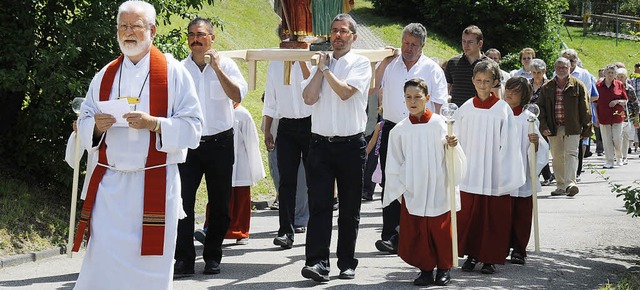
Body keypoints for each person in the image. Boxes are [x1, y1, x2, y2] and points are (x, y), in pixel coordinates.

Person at [71, 1, 203, 289]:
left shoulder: (173, 73)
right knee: (103, 261)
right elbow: (83, 122)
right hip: (111, 189)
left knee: (150, 265)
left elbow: (194, 128)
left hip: (154, 182)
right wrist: (94, 126)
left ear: (152, 30)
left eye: (135, 26)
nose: (128, 33)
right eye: (123, 26)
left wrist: (155, 124)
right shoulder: (104, 74)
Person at [300, 13, 371, 282]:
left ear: (353, 36)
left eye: (343, 31)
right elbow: (308, 98)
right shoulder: (321, 65)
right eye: (333, 31)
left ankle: (346, 262)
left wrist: (327, 70)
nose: (337, 36)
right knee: (319, 205)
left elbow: (344, 93)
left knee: (349, 207)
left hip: (350, 145)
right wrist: (320, 69)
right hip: (320, 144)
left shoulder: (361, 64)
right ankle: (317, 263)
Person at [175, 16, 248, 276]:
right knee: (181, 204)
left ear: (212, 38)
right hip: (189, 145)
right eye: (192, 34)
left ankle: (213, 256)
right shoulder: (179, 69)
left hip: (220, 143)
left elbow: (238, 96)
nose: (196, 39)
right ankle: (183, 258)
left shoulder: (226, 65)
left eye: (201, 34)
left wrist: (218, 69)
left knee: (219, 204)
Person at [384, 78, 466, 286]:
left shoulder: (440, 124)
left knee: (440, 229)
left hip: (439, 184)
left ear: (428, 98)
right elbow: (394, 161)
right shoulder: (399, 130)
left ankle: (444, 268)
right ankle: (426, 269)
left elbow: (452, 154)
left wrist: (452, 145)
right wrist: (399, 187)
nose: (413, 101)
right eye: (408, 97)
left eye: (418, 97)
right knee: (420, 230)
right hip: (414, 186)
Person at [375, 23, 449, 254]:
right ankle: (390, 235)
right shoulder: (391, 65)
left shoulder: (432, 69)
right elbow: (374, 86)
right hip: (392, 129)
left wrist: (439, 135)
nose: (408, 48)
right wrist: (384, 61)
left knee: (419, 182)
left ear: (422, 46)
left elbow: (440, 104)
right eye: (405, 43)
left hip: (422, 132)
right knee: (391, 180)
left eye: (413, 45)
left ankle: (416, 233)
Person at [454, 59, 525, 275]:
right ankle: (471, 254)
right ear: (472, 81)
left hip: (494, 170)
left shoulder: (502, 109)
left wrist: (505, 169)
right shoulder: (465, 108)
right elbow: (456, 137)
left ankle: (489, 258)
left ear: (495, 82)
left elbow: (510, 143)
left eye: (487, 81)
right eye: (478, 80)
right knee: (470, 215)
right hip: (472, 170)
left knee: (493, 217)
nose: (483, 85)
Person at [263, 53, 312, 249]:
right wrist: (268, 129)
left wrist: (301, 58)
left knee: (315, 179)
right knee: (286, 181)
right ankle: (285, 231)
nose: (290, 41)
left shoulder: (311, 59)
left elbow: (313, 90)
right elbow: (271, 100)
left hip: (310, 124)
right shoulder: (275, 63)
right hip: (286, 126)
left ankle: (314, 228)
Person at [503, 77, 549, 265]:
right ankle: (502, 246)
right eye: (508, 89)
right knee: (503, 213)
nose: (509, 94)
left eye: (515, 92)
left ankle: (519, 249)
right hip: (503, 172)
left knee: (521, 213)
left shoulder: (528, 119)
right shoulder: (500, 114)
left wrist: (535, 143)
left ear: (524, 96)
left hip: (522, 171)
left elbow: (541, 148)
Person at [537, 57, 592, 196]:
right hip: (553, 127)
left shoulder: (578, 85)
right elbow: (540, 108)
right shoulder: (547, 87)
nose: (562, 70)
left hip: (572, 127)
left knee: (571, 154)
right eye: (559, 67)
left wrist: (587, 128)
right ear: (555, 69)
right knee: (557, 156)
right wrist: (543, 126)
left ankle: (570, 184)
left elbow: (585, 108)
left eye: (565, 67)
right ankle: (560, 186)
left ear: (570, 68)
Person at [444, 25, 499, 107]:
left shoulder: (491, 65)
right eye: (463, 41)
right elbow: (445, 91)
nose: (466, 46)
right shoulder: (452, 63)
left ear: (480, 43)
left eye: (470, 42)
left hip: (481, 112)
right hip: (457, 113)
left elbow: (496, 95)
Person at [596, 64, 628, 168]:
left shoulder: (619, 84)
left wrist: (617, 101)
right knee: (607, 139)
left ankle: (619, 157)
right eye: (608, 72)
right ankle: (609, 160)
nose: (610, 74)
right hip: (603, 115)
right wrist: (595, 117)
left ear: (615, 74)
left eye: (612, 73)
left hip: (617, 116)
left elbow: (625, 100)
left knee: (617, 138)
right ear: (604, 73)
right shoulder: (598, 85)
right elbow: (594, 102)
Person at [529, 59, 555, 186]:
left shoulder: (549, 85)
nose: (536, 75)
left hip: (544, 120)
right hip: (530, 121)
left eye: (538, 72)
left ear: (544, 71)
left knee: (543, 147)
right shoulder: (528, 84)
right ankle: (544, 174)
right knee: (533, 147)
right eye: (533, 72)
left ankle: (543, 174)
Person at [616, 68, 640, 163]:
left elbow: (635, 103)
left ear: (626, 78)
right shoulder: (613, 88)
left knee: (625, 136)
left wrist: (636, 117)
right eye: (618, 77)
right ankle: (618, 155)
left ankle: (624, 156)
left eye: (622, 77)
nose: (620, 78)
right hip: (615, 115)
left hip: (627, 115)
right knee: (617, 137)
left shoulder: (629, 88)